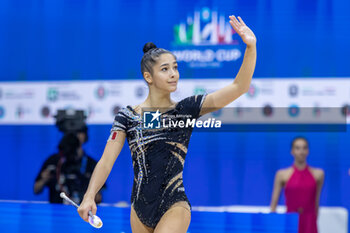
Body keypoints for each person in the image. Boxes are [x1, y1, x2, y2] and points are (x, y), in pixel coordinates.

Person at [78, 15, 256, 233]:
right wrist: (88, 196)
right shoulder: (127, 117)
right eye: (165, 69)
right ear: (148, 77)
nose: (173, 74)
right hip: (139, 207)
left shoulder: (185, 110)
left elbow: (239, 86)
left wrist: (250, 47)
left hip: (174, 203)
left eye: (175, 68)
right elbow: (106, 161)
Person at [270, 137, 325, 233]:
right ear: (292, 151)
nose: (301, 151)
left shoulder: (318, 174)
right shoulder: (282, 175)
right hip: (291, 221)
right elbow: (273, 205)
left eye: (304, 148)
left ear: (308, 151)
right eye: (298, 148)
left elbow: (316, 201)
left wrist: (314, 220)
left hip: (310, 222)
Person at [34, 132, 104, 204]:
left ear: (78, 148)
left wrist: (90, 194)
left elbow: (98, 198)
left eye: (71, 152)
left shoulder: (90, 164)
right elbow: (36, 189)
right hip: (57, 209)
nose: (67, 157)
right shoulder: (53, 161)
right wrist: (44, 179)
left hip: (82, 209)